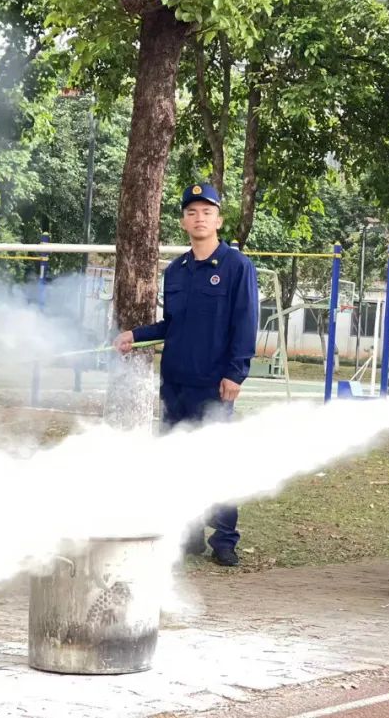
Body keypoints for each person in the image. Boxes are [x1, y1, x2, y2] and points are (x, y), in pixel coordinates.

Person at [114, 182, 259, 567]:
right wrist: (136, 336)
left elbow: (245, 324)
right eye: (192, 212)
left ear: (218, 220)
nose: (199, 218)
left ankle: (224, 539)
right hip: (175, 382)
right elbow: (172, 325)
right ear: (183, 221)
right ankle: (188, 533)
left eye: (206, 212)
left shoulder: (237, 267)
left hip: (214, 384)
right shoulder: (175, 271)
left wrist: (236, 374)